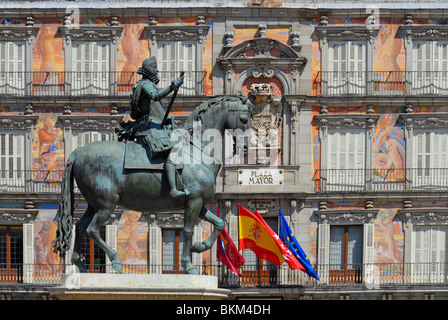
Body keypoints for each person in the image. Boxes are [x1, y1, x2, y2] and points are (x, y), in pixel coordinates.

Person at [128, 57, 189, 199]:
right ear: (149, 69)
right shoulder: (145, 84)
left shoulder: (146, 84)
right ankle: (173, 190)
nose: (157, 70)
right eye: (154, 67)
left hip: (153, 125)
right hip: (149, 127)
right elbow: (155, 97)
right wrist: (173, 86)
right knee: (172, 151)